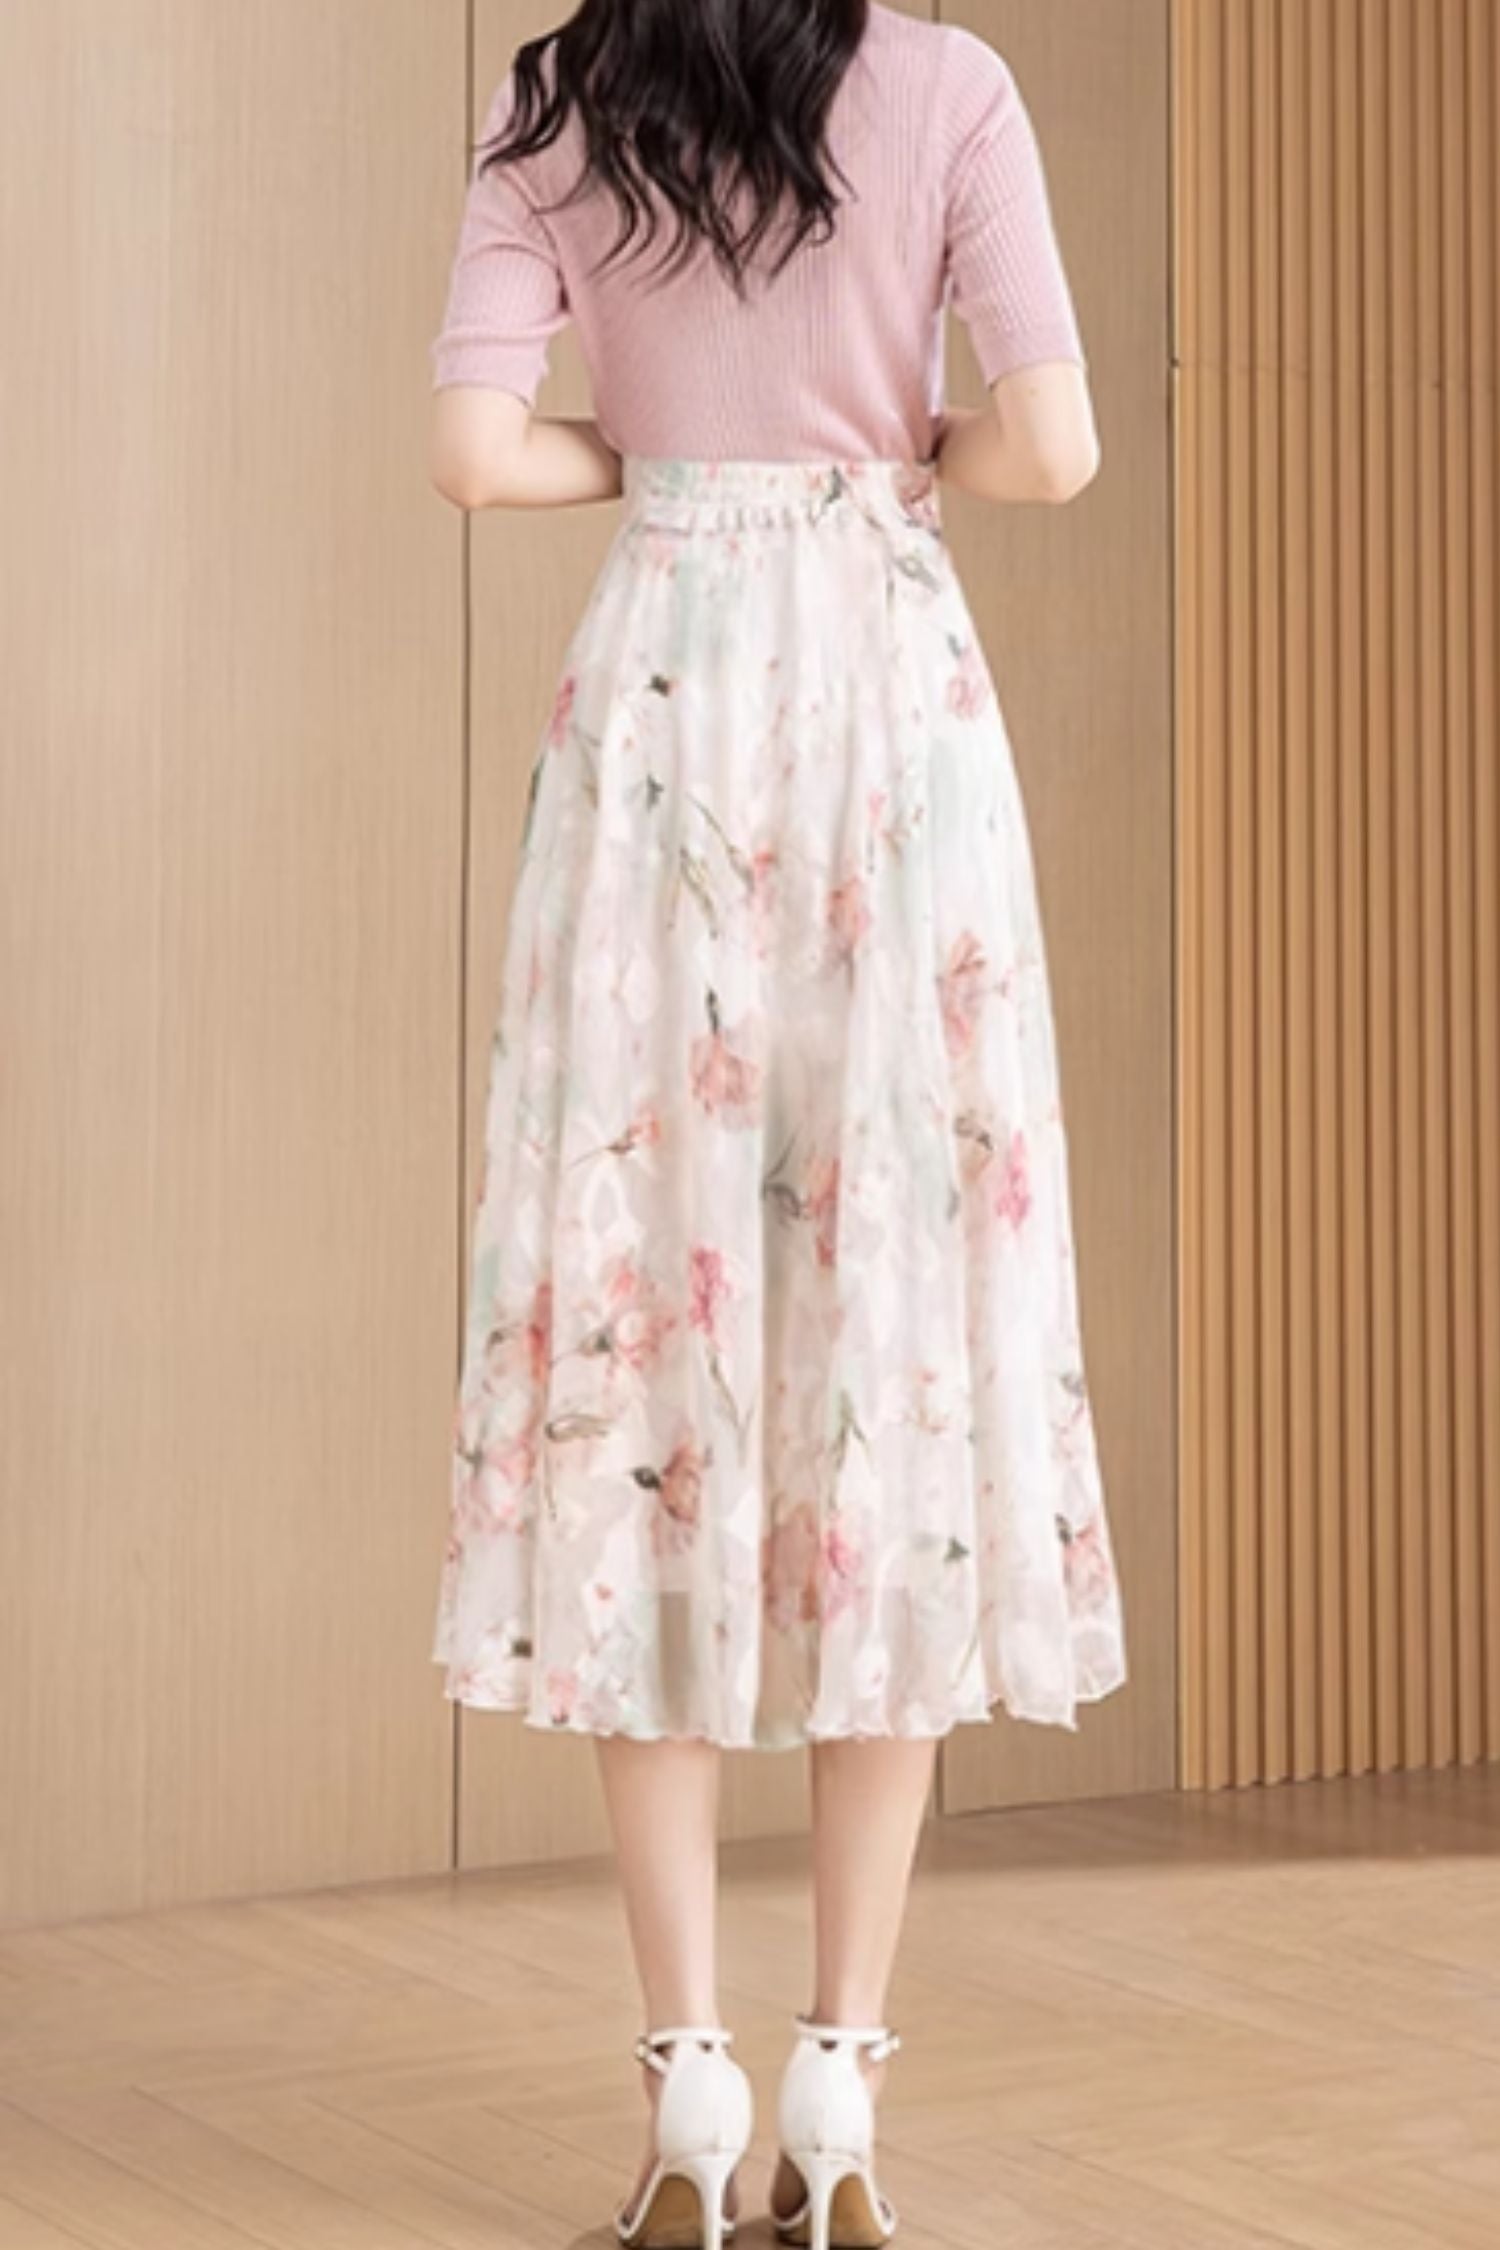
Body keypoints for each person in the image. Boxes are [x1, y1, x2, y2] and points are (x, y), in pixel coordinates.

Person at [425, 5, 1128, 2244]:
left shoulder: (559, 93)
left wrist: (663, 458)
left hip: (663, 707)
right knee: (885, 1359)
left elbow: (471, 450)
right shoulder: (951, 88)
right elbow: (1054, 448)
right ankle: (840, 2090)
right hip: (890, 707)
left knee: (649, 1363)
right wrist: (883, 445)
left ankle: (686, 2089)